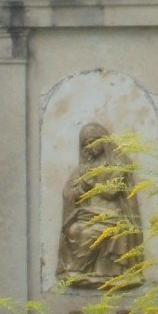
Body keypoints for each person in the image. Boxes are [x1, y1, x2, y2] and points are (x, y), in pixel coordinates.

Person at [56, 122, 142, 289]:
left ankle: (87, 272)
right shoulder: (84, 168)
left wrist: (92, 182)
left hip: (111, 216)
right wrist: (81, 185)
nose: (89, 147)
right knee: (74, 230)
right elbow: (69, 193)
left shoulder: (119, 164)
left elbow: (112, 192)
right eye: (85, 144)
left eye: (92, 141)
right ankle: (76, 272)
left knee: (90, 233)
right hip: (87, 215)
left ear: (103, 140)